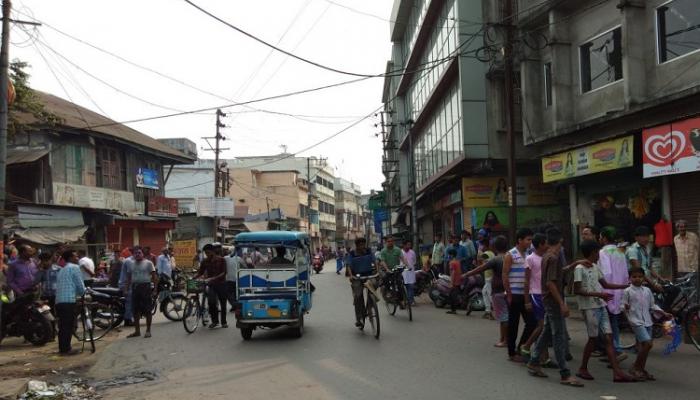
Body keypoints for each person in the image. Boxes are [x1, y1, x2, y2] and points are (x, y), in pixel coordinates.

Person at [526, 228, 582, 387]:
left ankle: (534, 360)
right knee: (558, 336)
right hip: (552, 300)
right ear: (561, 242)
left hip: (547, 299)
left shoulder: (547, 257)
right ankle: (564, 373)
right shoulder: (553, 257)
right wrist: (561, 303)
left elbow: (555, 274)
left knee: (548, 331)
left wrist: (574, 264)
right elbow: (550, 282)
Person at [573, 240, 635, 383]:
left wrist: (624, 286)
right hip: (589, 307)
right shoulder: (580, 268)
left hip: (600, 305)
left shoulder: (595, 267)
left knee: (608, 337)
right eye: (596, 253)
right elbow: (577, 290)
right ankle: (583, 368)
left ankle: (617, 372)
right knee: (593, 338)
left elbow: (605, 284)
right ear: (593, 252)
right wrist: (599, 294)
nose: (598, 255)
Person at [623, 267, 673, 381]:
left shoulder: (647, 291)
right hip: (636, 321)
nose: (637, 279)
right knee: (648, 344)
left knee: (646, 346)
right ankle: (635, 367)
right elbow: (622, 306)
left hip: (648, 321)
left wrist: (663, 313)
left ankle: (641, 369)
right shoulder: (627, 291)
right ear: (630, 278)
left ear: (643, 278)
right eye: (634, 277)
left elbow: (652, 306)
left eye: (640, 277)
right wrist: (626, 309)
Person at [464, 235, 509, 347]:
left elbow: (480, 268)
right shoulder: (510, 257)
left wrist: (466, 274)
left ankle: (505, 340)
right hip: (509, 290)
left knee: (504, 318)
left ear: (494, 247)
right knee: (505, 316)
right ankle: (503, 338)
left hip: (498, 290)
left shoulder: (496, 259)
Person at [503, 228, 537, 362]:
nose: (530, 242)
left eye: (531, 240)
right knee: (513, 324)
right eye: (528, 239)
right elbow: (505, 275)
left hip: (526, 295)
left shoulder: (530, 254)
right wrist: (509, 294)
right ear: (520, 240)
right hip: (514, 294)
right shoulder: (510, 255)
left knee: (532, 323)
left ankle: (521, 347)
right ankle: (512, 353)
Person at [598, 226, 629, 356]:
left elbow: (606, 273)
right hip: (620, 290)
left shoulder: (602, 252)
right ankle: (614, 349)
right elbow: (625, 274)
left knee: (606, 323)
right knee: (613, 321)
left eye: (600, 236)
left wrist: (603, 291)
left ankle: (615, 349)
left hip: (608, 291)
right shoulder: (620, 252)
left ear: (604, 238)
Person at [521, 233, 547, 362]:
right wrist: (527, 301)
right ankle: (526, 346)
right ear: (541, 244)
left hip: (544, 294)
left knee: (545, 326)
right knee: (541, 325)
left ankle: (544, 357)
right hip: (535, 294)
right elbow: (526, 280)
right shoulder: (530, 258)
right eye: (546, 243)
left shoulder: (546, 258)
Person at [55, 249, 85, 355]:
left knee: (63, 326)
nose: (77, 258)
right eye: (76, 256)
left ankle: (63, 348)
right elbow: (79, 284)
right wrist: (83, 293)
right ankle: (66, 349)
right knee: (68, 325)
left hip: (59, 301)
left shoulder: (62, 270)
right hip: (68, 301)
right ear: (71, 258)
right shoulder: (74, 267)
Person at [125, 247, 158, 338]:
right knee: (135, 311)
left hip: (145, 288)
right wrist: (126, 289)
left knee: (147, 310)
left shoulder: (148, 263)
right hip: (135, 288)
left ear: (142, 254)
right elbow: (128, 278)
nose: (137, 254)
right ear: (133, 255)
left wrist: (155, 289)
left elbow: (154, 277)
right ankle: (137, 331)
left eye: (139, 253)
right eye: (135, 253)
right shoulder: (131, 264)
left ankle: (148, 330)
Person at [346, 237, 376, 328]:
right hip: (357, 277)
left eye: (363, 244)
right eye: (360, 245)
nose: (362, 246)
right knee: (358, 296)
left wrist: (377, 271)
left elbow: (375, 261)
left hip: (368, 275)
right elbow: (349, 266)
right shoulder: (352, 254)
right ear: (357, 245)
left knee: (374, 284)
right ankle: (359, 319)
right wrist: (351, 275)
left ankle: (371, 305)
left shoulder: (369, 251)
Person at [196, 244, 228, 329]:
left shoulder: (221, 260)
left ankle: (224, 322)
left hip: (221, 284)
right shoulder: (205, 261)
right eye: (206, 253)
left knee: (223, 303)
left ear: (212, 251)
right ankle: (215, 321)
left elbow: (224, 273)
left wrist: (213, 278)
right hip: (211, 285)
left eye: (208, 252)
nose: (207, 254)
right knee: (211, 302)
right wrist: (193, 278)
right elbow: (200, 272)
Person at [445, 248, 462, 314]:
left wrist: (451, 283)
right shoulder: (458, 262)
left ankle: (453, 310)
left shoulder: (452, 262)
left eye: (449, 255)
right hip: (458, 280)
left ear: (452, 255)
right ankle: (453, 310)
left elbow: (453, 273)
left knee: (452, 296)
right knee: (454, 295)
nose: (448, 256)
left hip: (454, 281)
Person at [401, 240, 417, 306]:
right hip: (403, 273)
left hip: (411, 273)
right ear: (404, 245)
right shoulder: (400, 252)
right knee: (404, 288)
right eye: (408, 245)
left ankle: (410, 301)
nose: (409, 246)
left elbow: (414, 261)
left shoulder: (412, 252)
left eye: (410, 245)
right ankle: (407, 300)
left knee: (411, 287)